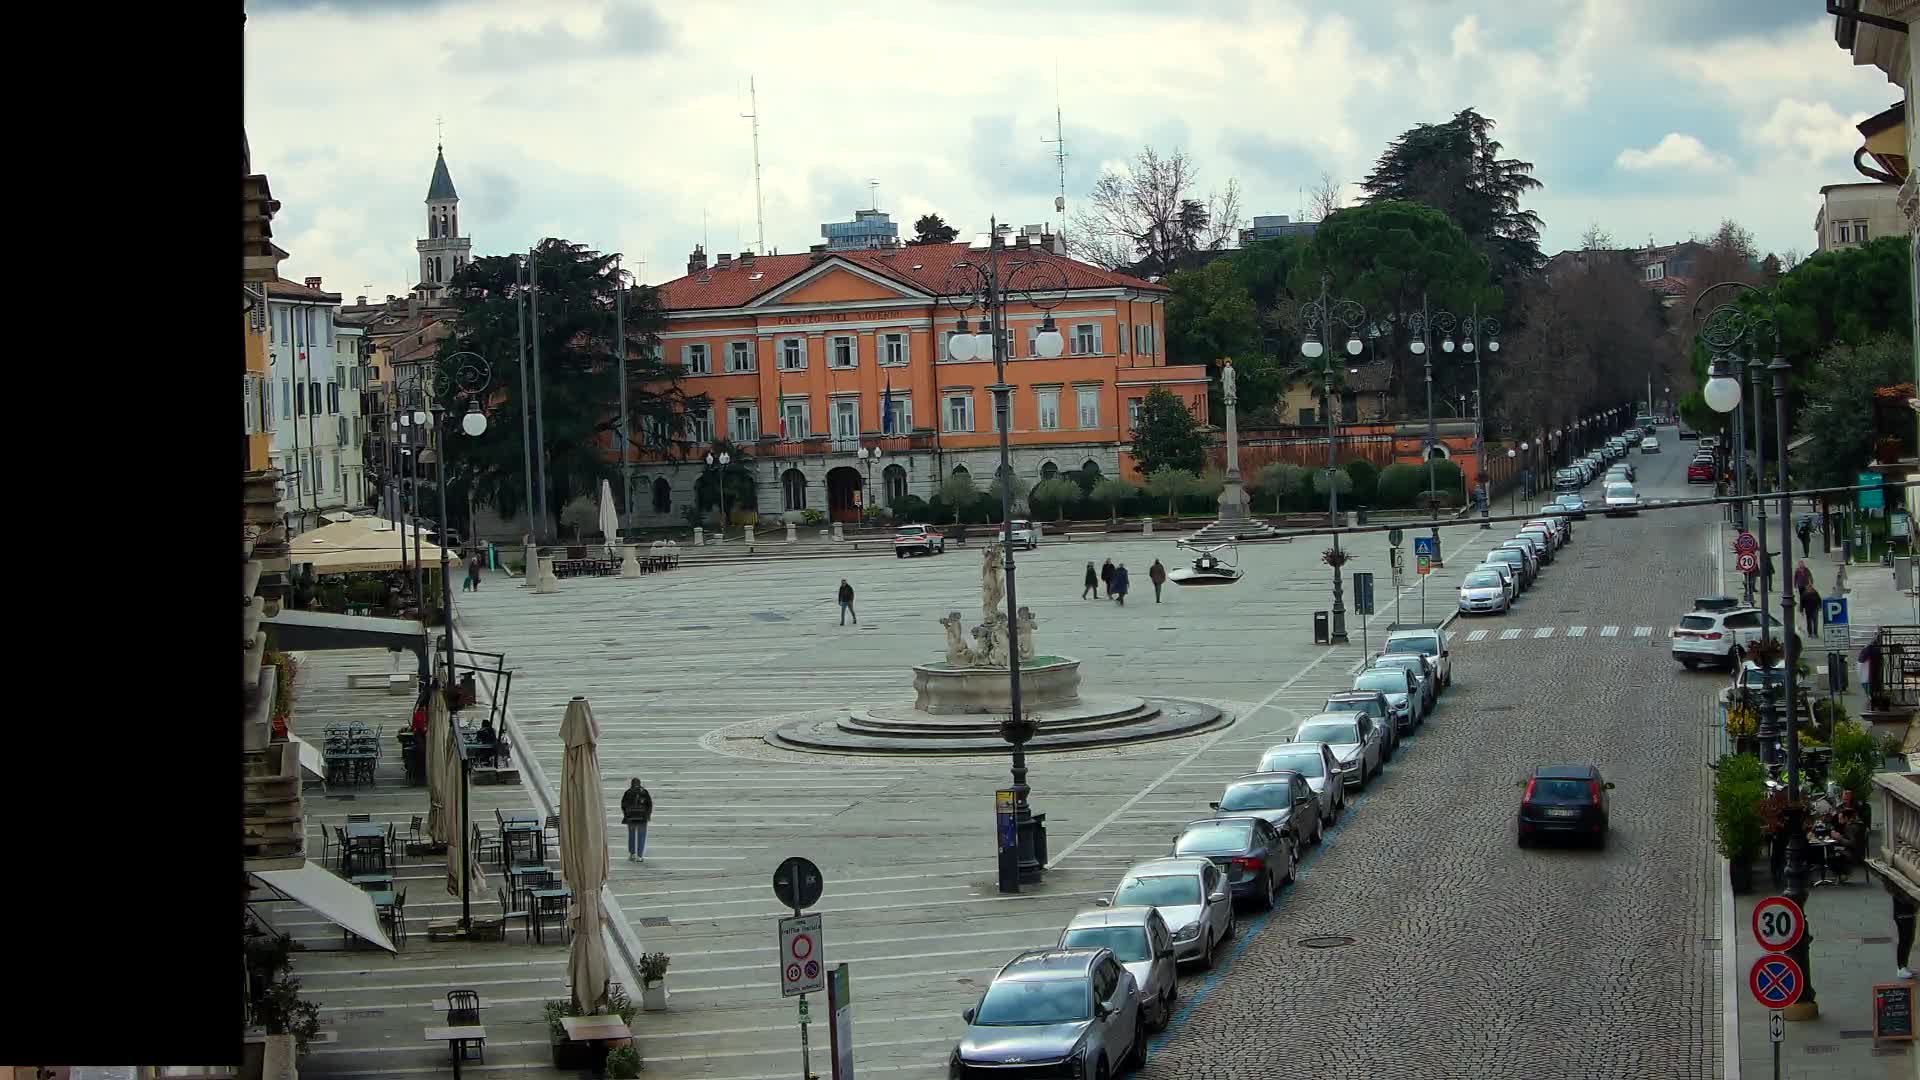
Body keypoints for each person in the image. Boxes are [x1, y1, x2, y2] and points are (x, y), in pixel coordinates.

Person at [620, 778, 653, 862]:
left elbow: (623, 805)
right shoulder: (644, 792)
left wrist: (626, 815)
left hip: (631, 818)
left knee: (631, 836)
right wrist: (648, 815)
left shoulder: (628, 792)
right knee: (642, 836)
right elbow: (649, 805)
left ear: (632, 784)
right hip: (642, 818)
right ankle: (640, 856)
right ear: (640, 783)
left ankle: (632, 854)